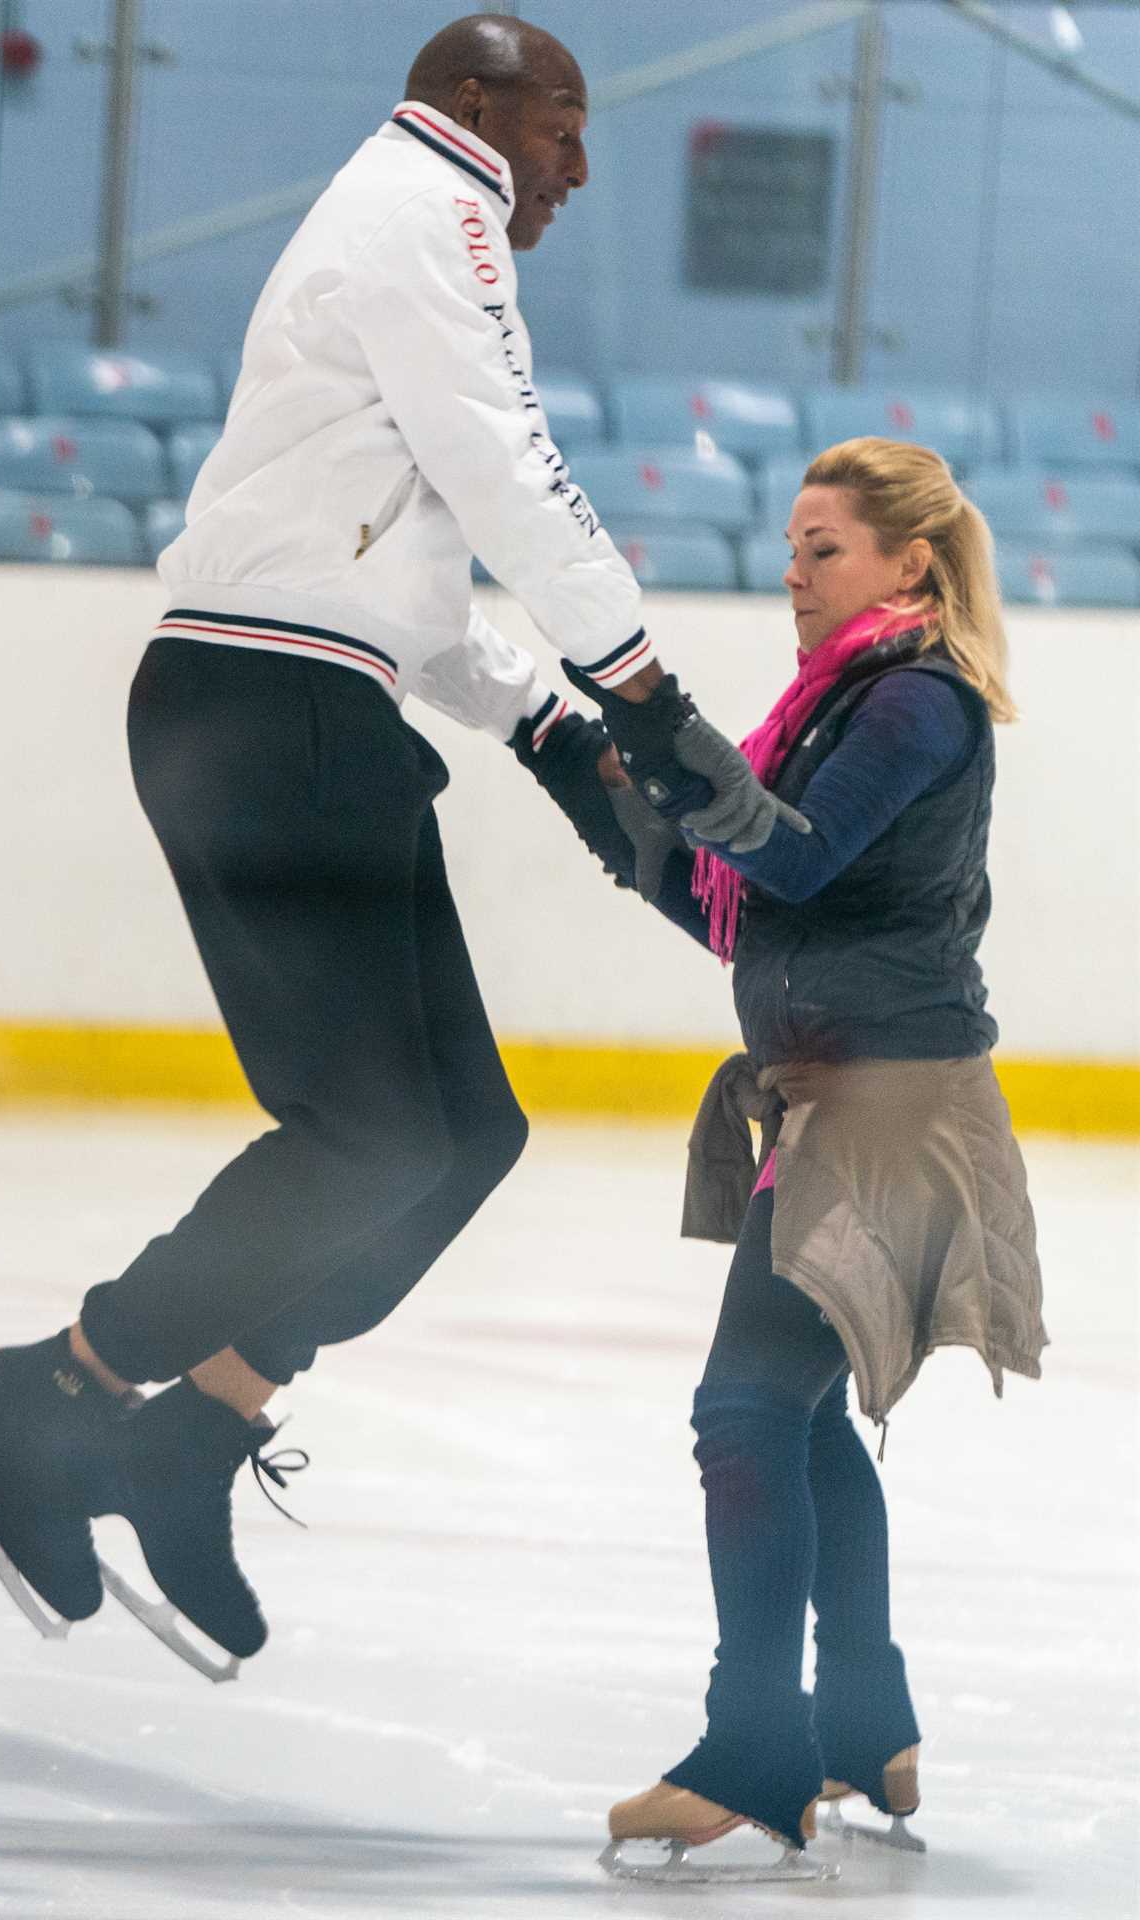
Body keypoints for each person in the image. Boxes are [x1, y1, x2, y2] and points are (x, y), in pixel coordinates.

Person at [0, 14, 726, 1662]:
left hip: (309, 705)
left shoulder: (407, 227)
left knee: (460, 1137)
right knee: (365, 1135)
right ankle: (47, 1390)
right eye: (566, 128)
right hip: (265, 716)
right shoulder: (436, 211)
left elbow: (392, 576)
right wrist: (645, 695)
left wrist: (554, 733)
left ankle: (184, 1436)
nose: (577, 166)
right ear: (480, 106)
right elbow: (509, 476)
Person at [535, 437, 1048, 1864]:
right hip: (842, 1099)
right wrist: (576, 756)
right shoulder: (840, 706)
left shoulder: (916, 704)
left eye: (825, 548)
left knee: (748, 1413)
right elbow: (732, 901)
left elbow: (794, 858)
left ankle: (757, 1741)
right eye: (792, 546)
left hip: (887, 1113)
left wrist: (660, 717)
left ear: (910, 565)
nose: (795, 573)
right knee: (799, 1415)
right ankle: (859, 1717)